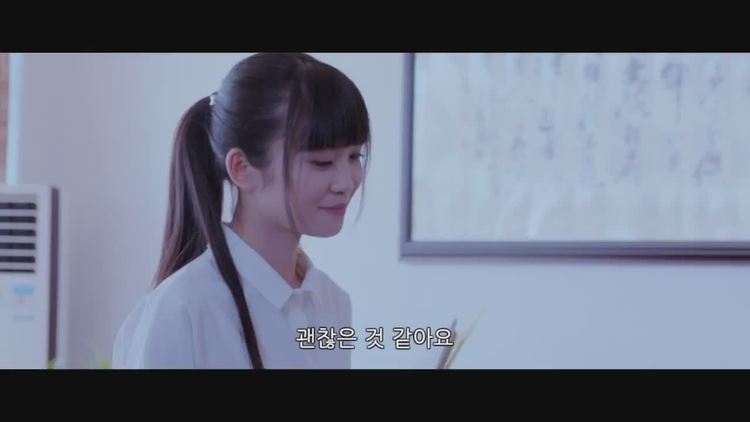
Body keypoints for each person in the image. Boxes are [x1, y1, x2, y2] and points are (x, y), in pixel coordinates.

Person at [112, 53, 370, 369]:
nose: (346, 182)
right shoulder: (182, 308)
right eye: (322, 162)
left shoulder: (332, 302)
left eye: (355, 157)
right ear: (241, 168)